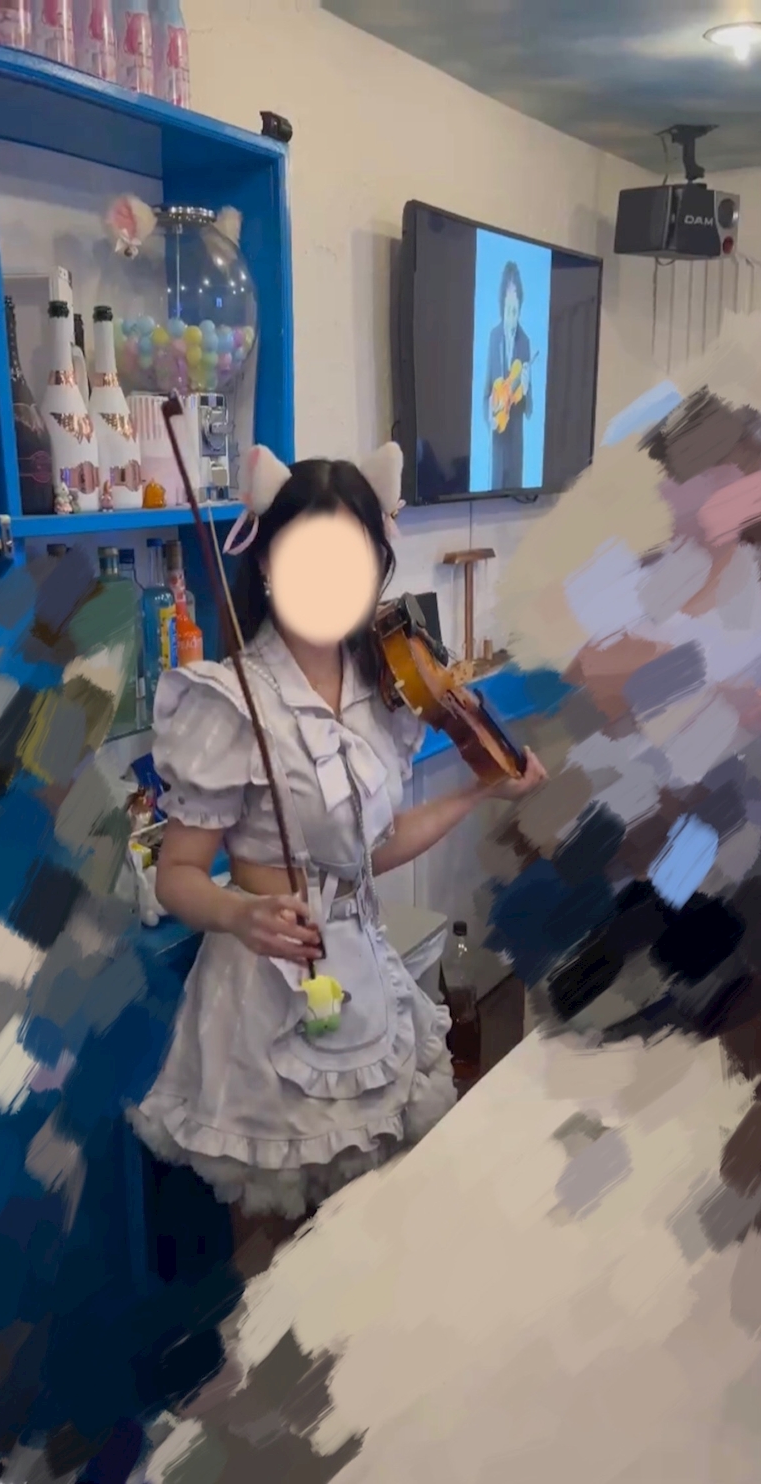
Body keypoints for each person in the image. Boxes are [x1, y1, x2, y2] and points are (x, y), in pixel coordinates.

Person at [129, 442, 546, 1230]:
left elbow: (371, 851)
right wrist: (238, 913)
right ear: (267, 566)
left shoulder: (379, 690)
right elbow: (176, 873)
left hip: (364, 975)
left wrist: (478, 789)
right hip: (263, 1002)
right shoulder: (229, 700)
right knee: (278, 1241)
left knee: (372, 1228)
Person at [483, 260, 533, 491]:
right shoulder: (494, 338)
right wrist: (491, 416)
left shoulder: (526, 342)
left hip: (515, 446)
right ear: (501, 305)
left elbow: (529, 408)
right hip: (497, 444)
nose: (511, 318)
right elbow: (486, 393)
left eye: (515, 310)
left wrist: (525, 389)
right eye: (507, 309)